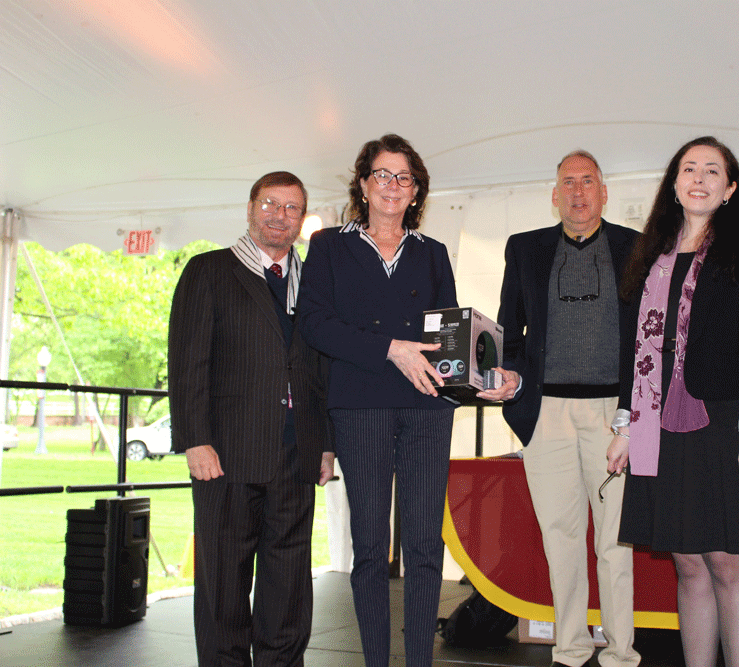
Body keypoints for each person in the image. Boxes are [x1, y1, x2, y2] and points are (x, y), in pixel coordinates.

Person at [607, 136, 739, 667]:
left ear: (730, 188)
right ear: (674, 183)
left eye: (713, 171)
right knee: (687, 563)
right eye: (689, 168)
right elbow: (634, 352)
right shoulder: (650, 256)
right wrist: (626, 428)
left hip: (724, 425)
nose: (700, 178)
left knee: (728, 563)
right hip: (655, 426)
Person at [297, 134, 458, 667]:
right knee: (368, 546)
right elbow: (316, 325)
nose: (393, 186)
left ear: (416, 193)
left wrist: (483, 373)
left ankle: (418, 662)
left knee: (424, 544)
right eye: (382, 175)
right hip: (360, 404)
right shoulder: (328, 248)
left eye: (404, 178)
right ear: (364, 185)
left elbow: (449, 333)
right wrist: (390, 349)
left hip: (426, 408)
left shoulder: (432, 254)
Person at [168, 170, 336, 666]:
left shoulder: (315, 287)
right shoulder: (209, 271)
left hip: (295, 455)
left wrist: (325, 443)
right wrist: (194, 439)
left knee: (288, 592)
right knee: (223, 586)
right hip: (227, 456)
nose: (279, 216)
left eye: (291, 208)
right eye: (270, 204)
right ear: (250, 208)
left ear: (302, 220)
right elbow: (187, 363)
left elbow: (320, 369)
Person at [481, 150, 641, 667]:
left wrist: (636, 414)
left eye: (587, 181)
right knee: (562, 538)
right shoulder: (524, 249)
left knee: (616, 541)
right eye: (567, 183)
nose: (577, 191)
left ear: (604, 191)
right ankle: (569, 649)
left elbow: (648, 339)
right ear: (554, 195)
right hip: (545, 413)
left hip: (613, 417)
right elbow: (509, 331)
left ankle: (620, 652)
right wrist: (508, 378)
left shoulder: (636, 248)